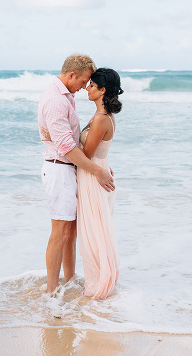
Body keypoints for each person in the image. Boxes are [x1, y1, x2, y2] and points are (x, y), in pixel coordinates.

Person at [38, 55, 115, 295]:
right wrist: (98, 170)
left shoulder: (67, 97)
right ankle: (52, 290)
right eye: (83, 81)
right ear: (72, 75)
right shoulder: (56, 101)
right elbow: (67, 147)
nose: (84, 87)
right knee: (60, 231)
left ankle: (69, 281)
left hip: (69, 168)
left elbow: (67, 140)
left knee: (70, 232)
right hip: (59, 168)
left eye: (88, 84)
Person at [77, 67, 123, 298]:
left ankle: (96, 284)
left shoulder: (100, 119)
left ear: (103, 90)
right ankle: (98, 278)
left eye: (92, 85)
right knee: (97, 228)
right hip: (98, 171)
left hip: (92, 176)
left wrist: (58, 141)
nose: (87, 88)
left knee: (93, 230)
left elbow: (85, 155)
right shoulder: (106, 117)